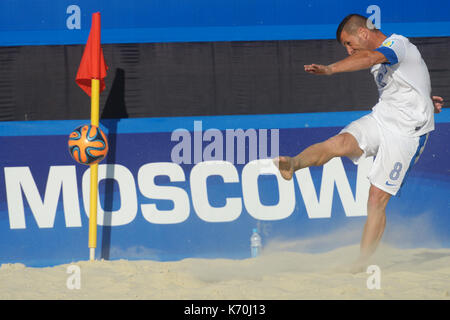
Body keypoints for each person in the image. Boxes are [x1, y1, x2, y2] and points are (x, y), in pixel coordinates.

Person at [275, 14, 444, 273]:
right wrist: (425, 99)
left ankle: (361, 263)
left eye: (348, 43)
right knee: (340, 143)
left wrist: (331, 69)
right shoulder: (380, 61)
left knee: (376, 199)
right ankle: (294, 163)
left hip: (408, 133)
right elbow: (406, 84)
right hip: (382, 118)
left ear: (363, 33)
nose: (349, 49)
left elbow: (368, 57)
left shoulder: (399, 45)